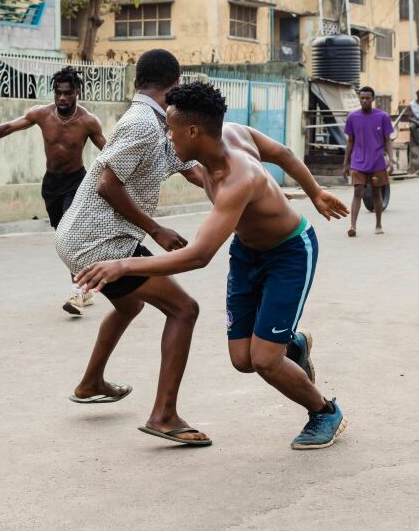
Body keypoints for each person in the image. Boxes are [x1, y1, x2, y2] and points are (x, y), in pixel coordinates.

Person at [75, 82, 350, 450]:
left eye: (170, 130)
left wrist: (125, 265)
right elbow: (283, 153)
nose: (167, 137)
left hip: (288, 253)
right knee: (242, 360)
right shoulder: (223, 139)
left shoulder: (238, 178)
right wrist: (314, 192)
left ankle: (324, 411)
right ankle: (292, 344)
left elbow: (200, 255)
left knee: (265, 360)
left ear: (192, 131)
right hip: (247, 252)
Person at [55, 49, 211, 446]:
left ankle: (91, 382)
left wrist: (238, 195)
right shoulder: (143, 123)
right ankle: (164, 416)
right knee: (184, 309)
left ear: (138, 81)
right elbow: (109, 184)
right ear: (174, 84)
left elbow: (190, 168)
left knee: (131, 303)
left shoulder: (157, 122)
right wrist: (155, 230)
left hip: (93, 239)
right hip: (97, 243)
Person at [0, 67, 106, 316]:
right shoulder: (42, 114)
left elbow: (108, 152)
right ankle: (85, 286)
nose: (62, 98)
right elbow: (8, 127)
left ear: (77, 93)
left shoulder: (88, 121)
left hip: (77, 182)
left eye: (67, 93)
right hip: (51, 185)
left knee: (70, 234)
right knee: (62, 236)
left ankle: (78, 290)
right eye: (58, 93)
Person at [343, 86, 396, 237]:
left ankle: (378, 224)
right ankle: (352, 226)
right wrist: (345, 163)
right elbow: (350, 141)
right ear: (359, 99)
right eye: (362, 98)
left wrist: (391, 160)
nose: (364, 100)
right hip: (358, 162)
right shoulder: (352, 117)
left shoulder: (382, 117)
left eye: (367, 98)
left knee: (376, 192)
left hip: (377, 163)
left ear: (373, 99)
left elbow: (387, 140)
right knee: (357, 191)